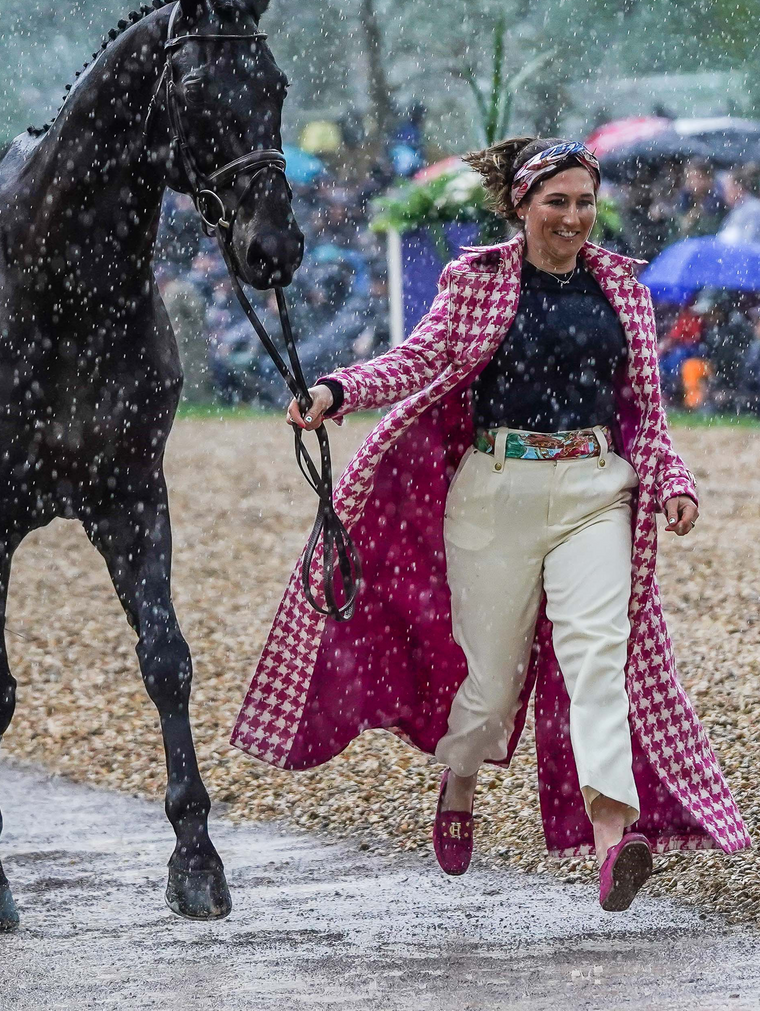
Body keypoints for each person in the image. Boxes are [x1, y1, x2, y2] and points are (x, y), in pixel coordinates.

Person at [231, 137, 749, 913]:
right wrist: (339, 390)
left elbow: (645, 408)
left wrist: (672, 479)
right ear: (521, 205)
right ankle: (461, 773)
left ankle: (615, 842)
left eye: (585, 202)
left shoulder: (622, 289)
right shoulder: (475, 282)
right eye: (558, 202)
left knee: (597, 659)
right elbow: (418, 358)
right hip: (494, 490)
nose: (575, 218)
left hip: (594, 489)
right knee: (490, 676)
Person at [718, 163, 760, 245]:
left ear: (739, 188)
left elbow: (748, 243)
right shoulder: (738, 209)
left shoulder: (753, 210)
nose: (724, 192)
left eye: (727, 187)